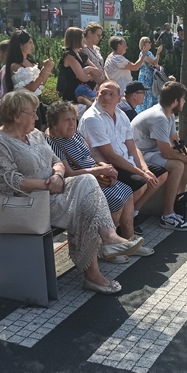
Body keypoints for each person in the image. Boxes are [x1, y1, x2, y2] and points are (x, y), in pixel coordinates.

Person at [0, 90, 143, 295]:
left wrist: (58, 176)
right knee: (84, 206)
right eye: (32, 113)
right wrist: (47, 184)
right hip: (28, 203)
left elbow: (56, 161)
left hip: (53, 192)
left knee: (86, 183)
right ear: (16, 116)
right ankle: (95, 270)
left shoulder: (35, 134)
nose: (36, 118)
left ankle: (108, 238)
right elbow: (8, 181)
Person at [46, 101, 152, 258]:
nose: (72, 124)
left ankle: (129, 239)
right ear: (54, 124)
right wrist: (99, 170)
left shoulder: (75, 134)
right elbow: (68, 174)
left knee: (127, 190)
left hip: (97, 176)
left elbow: (92, 154)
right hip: (81, 185)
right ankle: (107, 247)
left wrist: (105, 167)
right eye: (66, 120)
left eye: (74, 119)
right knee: (115, 198)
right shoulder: (52, 143)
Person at [80, 81, 169, 217]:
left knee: (161, 174)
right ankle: (123, 220)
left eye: (111, 94)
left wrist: (144, 169)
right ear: (97, 94)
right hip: (108, 166)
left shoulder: (121, 115)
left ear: (119, 98)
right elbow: (111, 157)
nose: (107, 97)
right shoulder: (92, 118)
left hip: (126, 161)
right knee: (141, 183)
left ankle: (134, 212)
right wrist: (142, 173)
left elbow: (132, 147)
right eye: (103, 93)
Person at [131, 82, 187, 230]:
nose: (184, 103)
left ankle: (179, 202)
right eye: (183, 99)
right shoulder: (159, 118)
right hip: (139, 154)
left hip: (150, 151)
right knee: (177, 165)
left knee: (183, 158)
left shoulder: (167, 114)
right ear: (176, 101)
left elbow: (175, 142)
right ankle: (167, 215)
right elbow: (166, 152)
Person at [4, 30, 55, 99]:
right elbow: (32, 88)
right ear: (20, 45)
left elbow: (40, 85)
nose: (32, 46)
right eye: (30, 43)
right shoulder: (15, 66)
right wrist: (44, 69)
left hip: (35, 101)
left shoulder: (30, 62)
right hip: (24, 102)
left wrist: (48, 69)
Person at [59, 27, 102, 106]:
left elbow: (99, 73)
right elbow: (83, 78)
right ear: (76, 39)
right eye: (82, 38)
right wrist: (92, 75)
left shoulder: (82, 55)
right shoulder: (69, 56)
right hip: (73, 96)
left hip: (86, 93)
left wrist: (89, 69)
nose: (85, 40)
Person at [137, 36, 163, 113]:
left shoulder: (149, 53)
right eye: (149, 42)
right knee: (147, 95)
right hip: (145, 77)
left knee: (153, 94)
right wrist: (158, 52)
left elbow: (155, 63)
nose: (150, 43)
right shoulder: (143, 53)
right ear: (144, 44)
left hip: (152, 77)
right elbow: (154, 62)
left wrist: (155, 60)